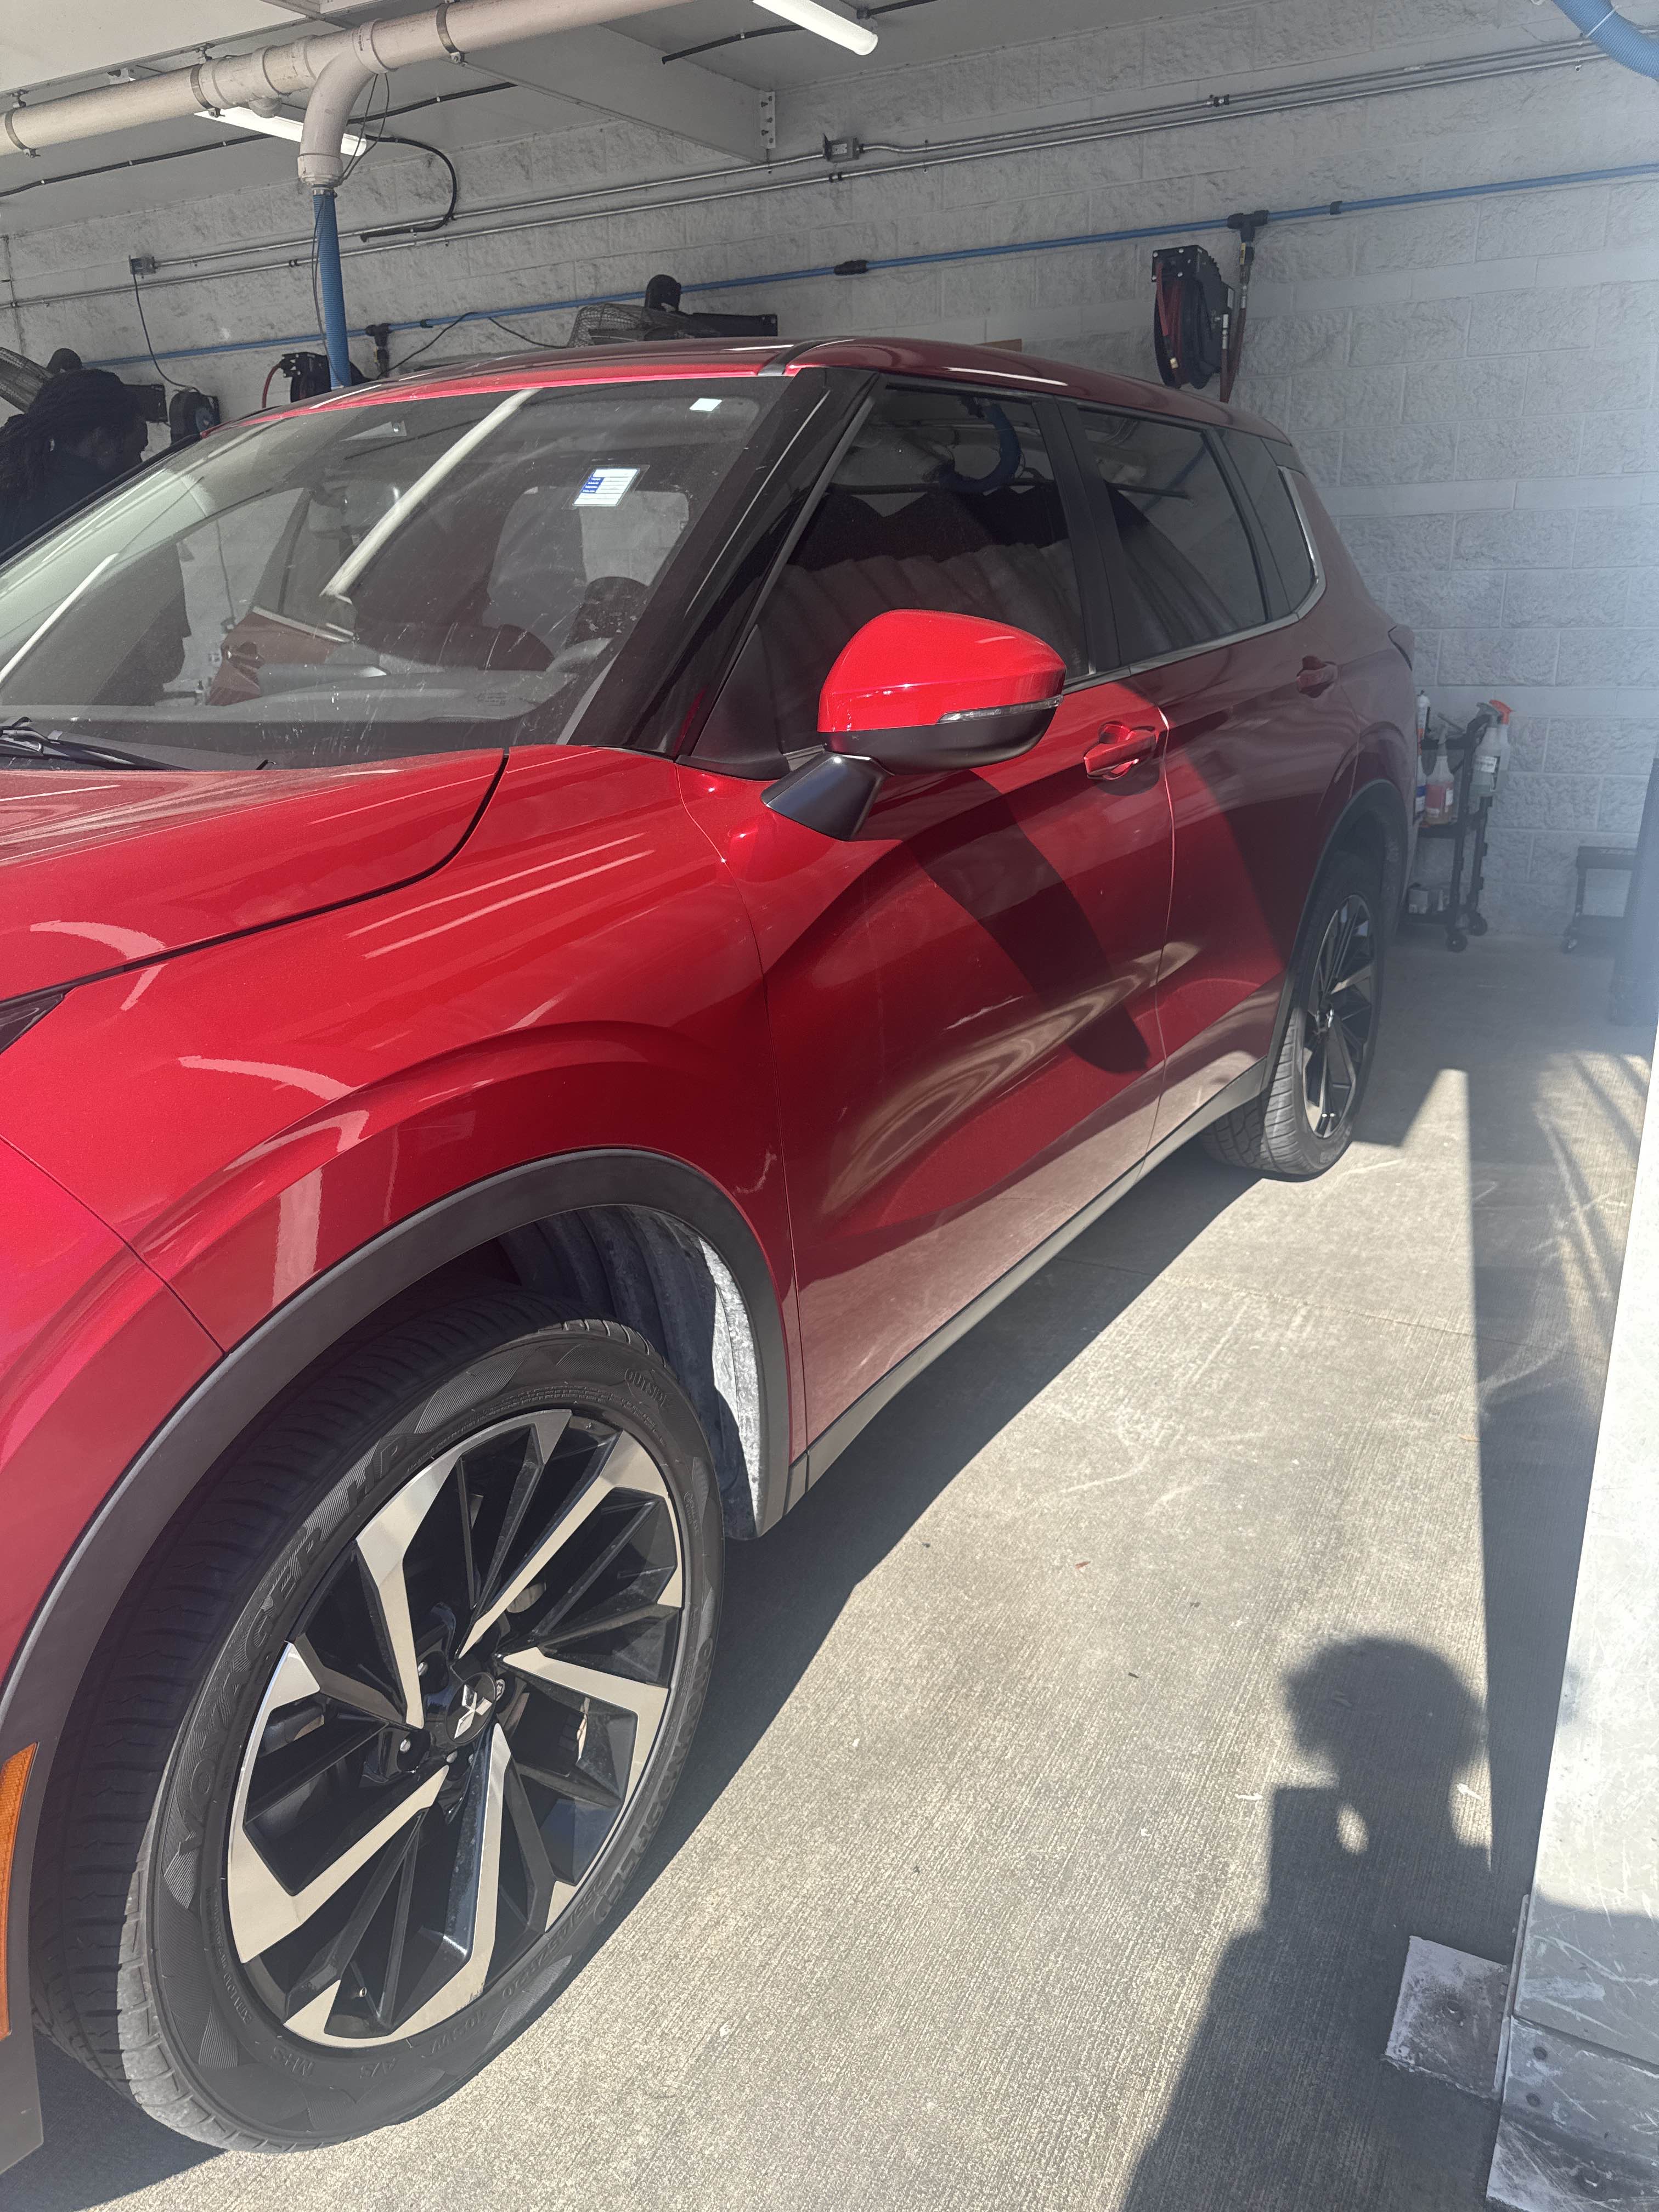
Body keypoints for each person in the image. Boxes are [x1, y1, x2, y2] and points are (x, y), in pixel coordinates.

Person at [0, 369, 148, 560]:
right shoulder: (108, 514)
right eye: (137, 452)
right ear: (102, 442)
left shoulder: (17, 484)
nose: (140, 466)